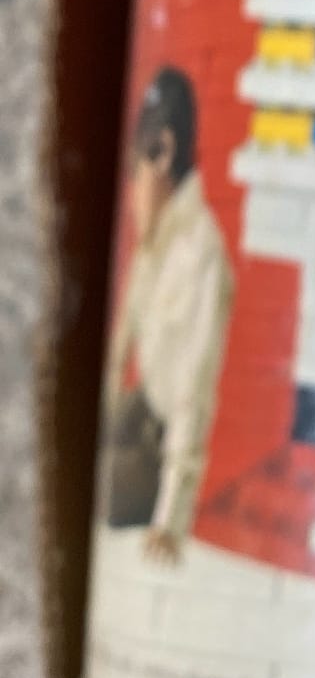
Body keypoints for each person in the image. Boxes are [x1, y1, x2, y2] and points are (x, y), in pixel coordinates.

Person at [102, 67, 234, 564]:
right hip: (143, 412)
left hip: (163, 452)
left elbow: (192, 398)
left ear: (163, 153)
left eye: (135, 168)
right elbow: (120, 346)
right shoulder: (156, 238)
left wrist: (168, 521)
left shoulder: (202, 256)